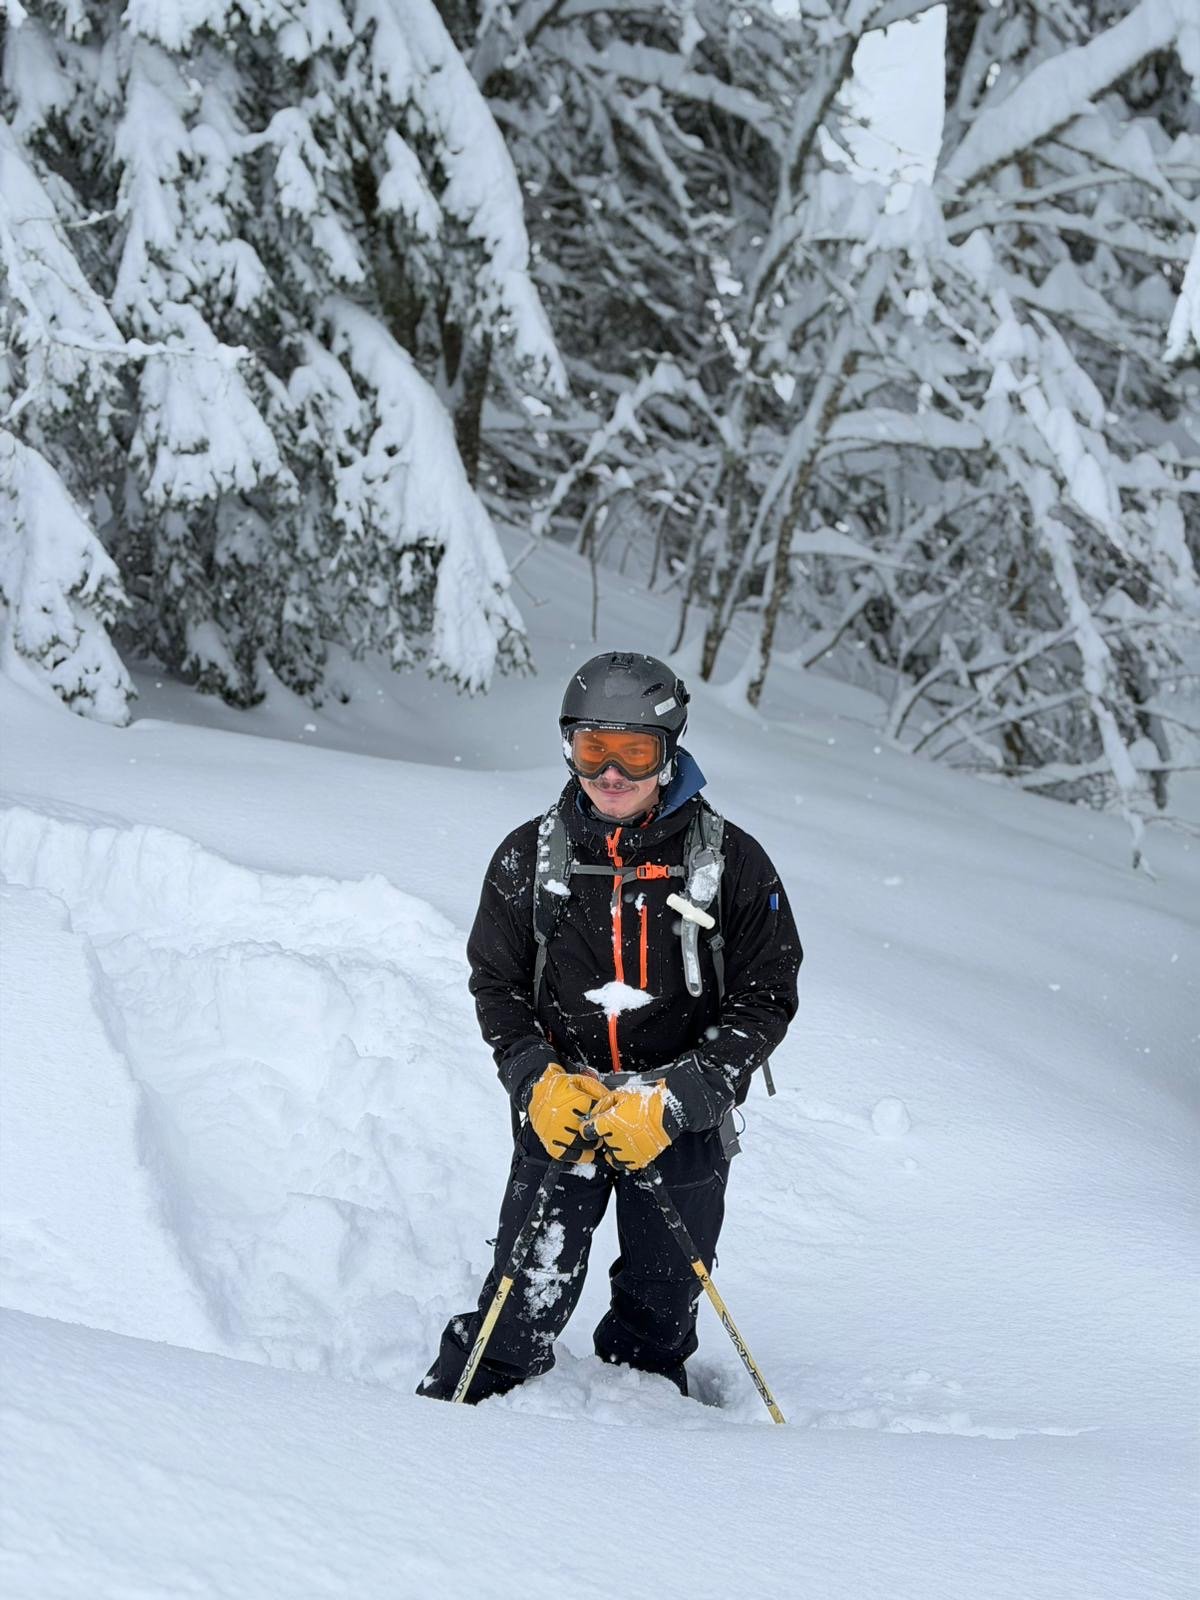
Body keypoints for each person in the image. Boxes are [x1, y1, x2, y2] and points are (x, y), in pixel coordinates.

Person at [418, 651, 802, 1402]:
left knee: (663, 1300)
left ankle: (645, 1418)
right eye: (594, 749)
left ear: (670, 751)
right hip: (567, 1103)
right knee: (523, 1293)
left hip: (676, 1114)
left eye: (635, 752)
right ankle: (463, 1410)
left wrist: (682, 1098)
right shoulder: (530, 857)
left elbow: (767, 995)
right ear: (570, 748)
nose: (613, 773)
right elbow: (497, 984)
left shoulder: (729, 862)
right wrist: (534, 1078)